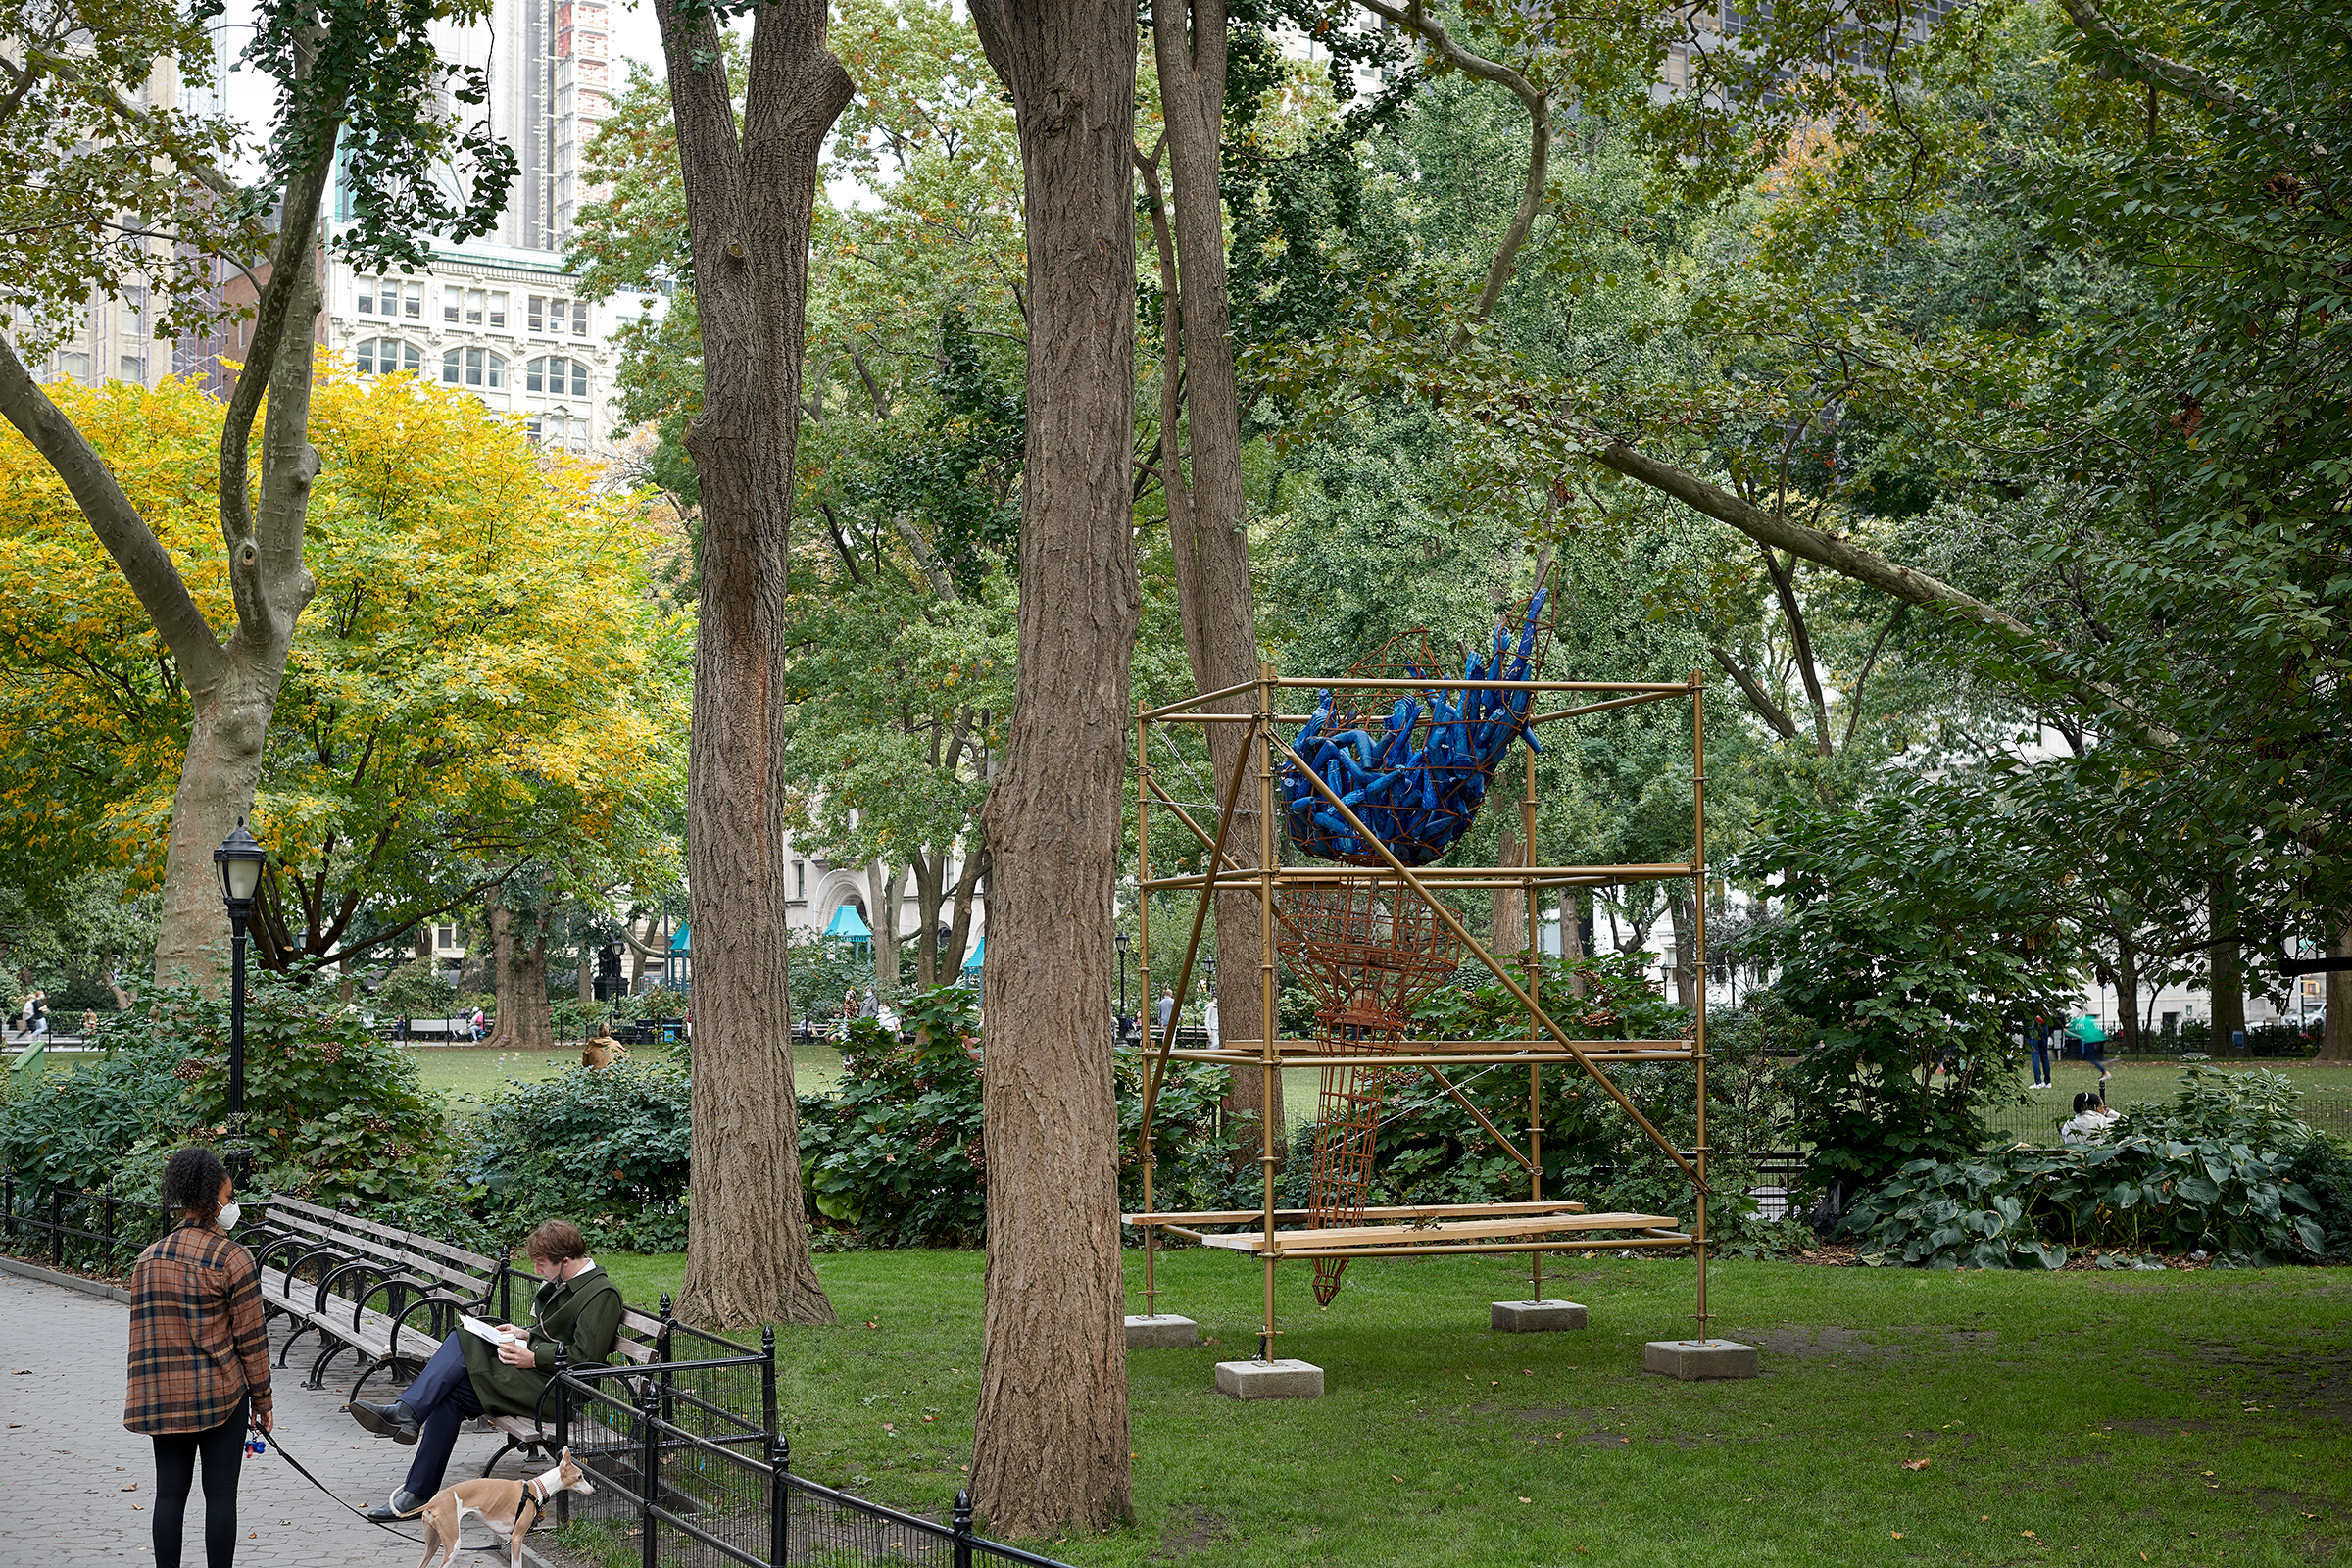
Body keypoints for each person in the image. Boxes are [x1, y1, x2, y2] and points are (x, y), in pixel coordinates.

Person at [348, 1219, 623, 1520]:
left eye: (541, 1264)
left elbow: (586, 1358)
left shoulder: (600, 1293)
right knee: (449, 1392)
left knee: (461, 1340)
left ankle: (407, 1414)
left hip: (558, 1392)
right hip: (539, 1377)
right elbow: (560, 1333)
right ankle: (418, 1490)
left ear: (566, 1261)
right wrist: (525, 1334)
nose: (536, 1271)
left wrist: (532, 1356)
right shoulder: (569, 1283)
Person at [124, 1146, 273, 1568]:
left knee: (169, 1493)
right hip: (220, 1396)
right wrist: (263, 1402)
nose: (232, 1206)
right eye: (228, 1198)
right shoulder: (232, 1258)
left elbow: (143, 1335)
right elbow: (252, 1340)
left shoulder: (148, 1259)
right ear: (211, 1200)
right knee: (221, 1495)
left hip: (163, 1396)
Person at [2068, 1009, 2111, 1085]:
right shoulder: (2089, 1021)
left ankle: (2104, 1071)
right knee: (2090, 1058)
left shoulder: (2084, 1022)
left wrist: (2068, 1032)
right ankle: (2103, 1070)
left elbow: (2080, 1032)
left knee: (2090, 1058)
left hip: (2089, 1042)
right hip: (2092, 1041)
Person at [2027, 1015, 2055, 1090]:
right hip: (2043, 1024)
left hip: (2032, 1023)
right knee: (2044, 1054)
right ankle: (2047, 1082)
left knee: (2035, 1053)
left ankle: (2038, 1082)